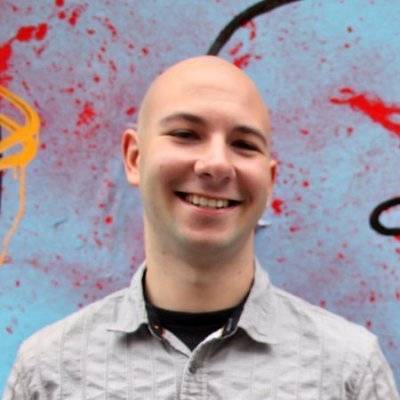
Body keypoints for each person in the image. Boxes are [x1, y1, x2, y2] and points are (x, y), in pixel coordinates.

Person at [3, 56, 399, 399]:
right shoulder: (50, 370)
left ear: (269, 179)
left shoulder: (348, 370)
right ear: (134, 158)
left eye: (243, 144)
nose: (216, 164)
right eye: (185, 134)